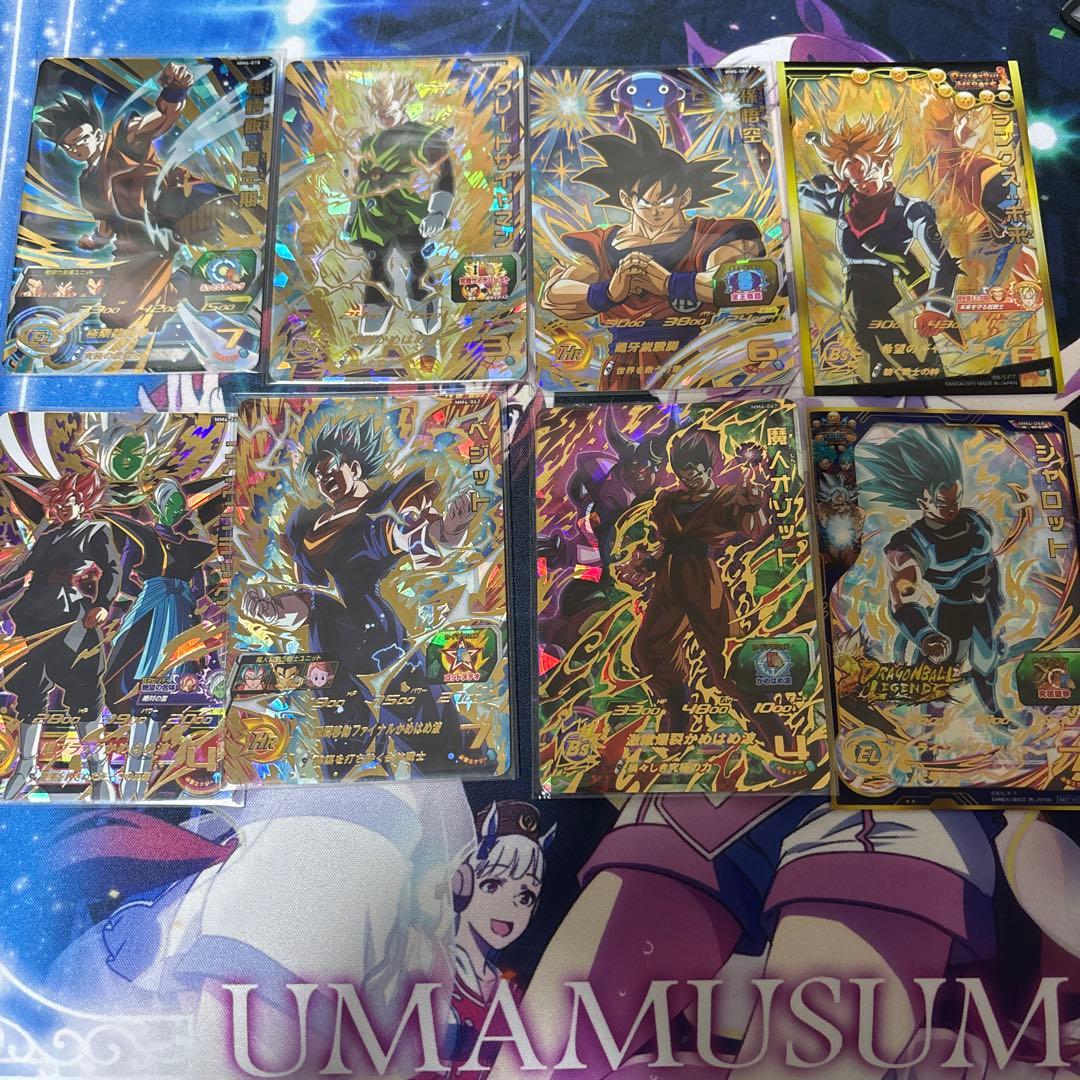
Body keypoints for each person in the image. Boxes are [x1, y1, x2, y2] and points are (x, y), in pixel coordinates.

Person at [241, 415, 478, 778]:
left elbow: (412, 537)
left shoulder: (382, 511)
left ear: (353, 467)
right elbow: (307, 600)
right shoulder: (306, 527)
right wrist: (271, 610)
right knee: (344, 762)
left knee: (435, 748)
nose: (324, 480)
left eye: (331, 470)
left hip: (383, 648)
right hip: (330, 657)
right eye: (318, 475)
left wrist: (448, 529)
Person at [542, 115, 765, 391]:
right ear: (627, 200)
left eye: (667, 200)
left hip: (686, 367)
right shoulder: (599, 244)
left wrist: (670, 283)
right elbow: (554, 294)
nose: (656, 210)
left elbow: (743, 282)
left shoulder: (711, 236)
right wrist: (609, 292)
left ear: (685, 197)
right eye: (646, 202)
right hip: (621, 369)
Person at [619, 429, 767, 732]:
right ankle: (679, 714)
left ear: (709, 466)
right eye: (683, 474)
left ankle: (773, 728)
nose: (690, 479)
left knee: (728, 657)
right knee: (650, 649)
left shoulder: (727, 497)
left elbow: (756, 530)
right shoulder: (669, 500)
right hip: (668, 582)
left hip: (702, 581)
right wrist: (646, 563)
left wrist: (752, 506)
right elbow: (667, 544)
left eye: (695, 472)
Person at [797, 114, 959, 383]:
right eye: (854, 180)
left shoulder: (911, 210)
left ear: (885, 166)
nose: (863, 186)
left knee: (918, 369)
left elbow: (943, 262)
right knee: (866, 372)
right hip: (853, 298)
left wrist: (936, 309)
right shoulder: (843, 203)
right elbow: (797, 194)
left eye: (868, 176)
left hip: (892, 294)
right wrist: (827, 181)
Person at [860, 424, 1005, 721]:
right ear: (922, 502)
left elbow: (989, 562)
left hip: (986, 608)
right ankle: (928, 730)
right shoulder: (910, 545)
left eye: (957, 498)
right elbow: (903, 600)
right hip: (951, 615)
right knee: (937, 678)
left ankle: (994, 713)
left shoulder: (976, 520)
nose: (953, 507)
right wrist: (925, 635)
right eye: (942, 503)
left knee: (987, 665)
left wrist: (996, 598)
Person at [0, 471, 120, 800]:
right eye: (57, 504)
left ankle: (99, 773)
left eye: (67, 502)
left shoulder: (95, 530)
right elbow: (21, 568)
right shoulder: (48, 536)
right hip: (33, 615)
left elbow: (112, 568)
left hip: (70, 616)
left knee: (84, 688)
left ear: (81, 503)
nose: (62, 508)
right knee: (30, 689)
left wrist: (103, 604)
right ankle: (26, 768)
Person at [448, 801, 554, 1078]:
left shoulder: (515, 993)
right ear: (461, 884)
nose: (511, 907)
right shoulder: (431, 971)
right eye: (493, 885)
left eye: (525, 896)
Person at [346, 74, 454, 336]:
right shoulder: (369, 142)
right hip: (372, 217)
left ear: (402, 103)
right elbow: (361, 182)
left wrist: (438, 211)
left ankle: (427, 324)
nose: (384, 116)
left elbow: (445, 174)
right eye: (379, 111)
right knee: (376, 269)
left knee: (417, 264)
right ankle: (372, 326)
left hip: (408, 214)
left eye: (390, 110)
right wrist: (352, 215)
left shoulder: (425, 136)